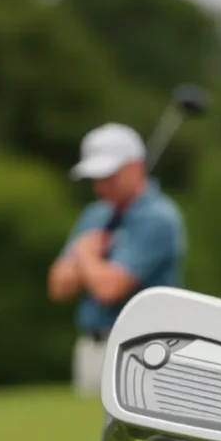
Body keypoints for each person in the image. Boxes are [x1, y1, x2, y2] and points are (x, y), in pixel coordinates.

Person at [48, 122, 186, 395]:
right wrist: (95, 267)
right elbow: (58, 286)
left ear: (135, 167)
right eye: (96, 178)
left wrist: (86, 256)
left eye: (108, 176)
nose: (100, 187)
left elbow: (109, 289)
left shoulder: (159, 218)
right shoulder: (95, 215)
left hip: (143, 349)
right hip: (90, 346)